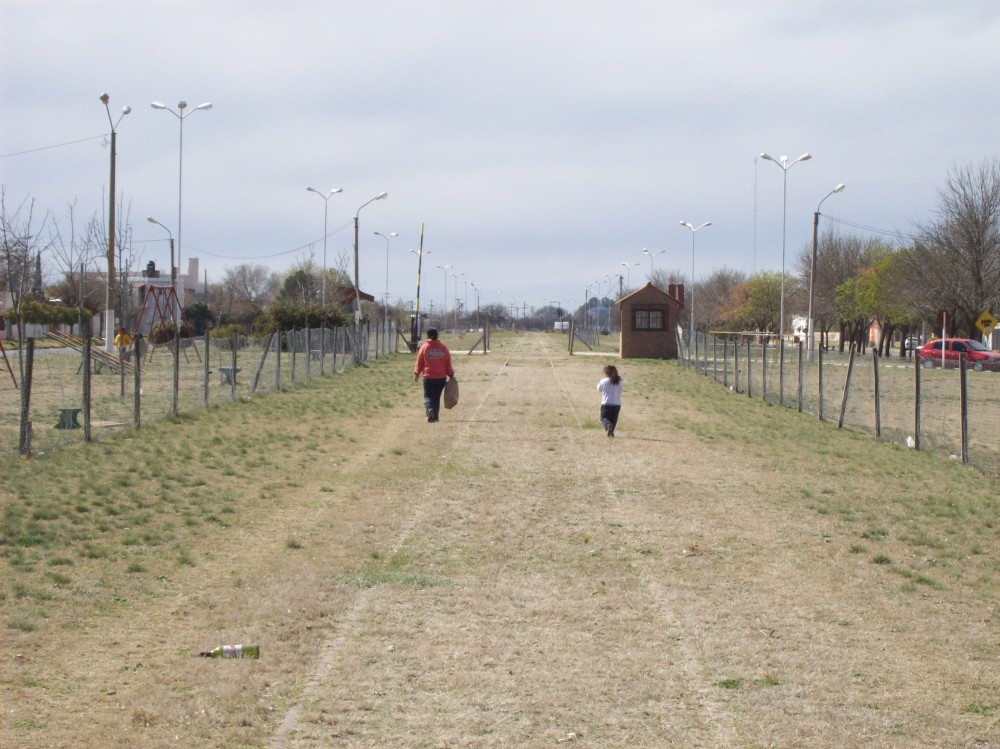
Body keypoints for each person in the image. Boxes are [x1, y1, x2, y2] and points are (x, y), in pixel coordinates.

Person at [413, 328, 455, 423]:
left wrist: (416, 373)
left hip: (428, 377)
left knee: (428, 396)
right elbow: (447, 364)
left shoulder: (424, 347)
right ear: (437, 336)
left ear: (427, 336)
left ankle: (429, 410)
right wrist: (451, 374)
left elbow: (420, 362)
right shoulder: (443, 348)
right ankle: (435, 416)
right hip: (441, 378)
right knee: (436, 397)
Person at [596, 364, 623, 438]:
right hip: (617, 404)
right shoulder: (620, 381)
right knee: (613, 420)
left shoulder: (603, 381)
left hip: (606, 403)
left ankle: (608, 427)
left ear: (606, 373)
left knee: (604, 419)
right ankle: (611, 434)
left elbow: (599, 389)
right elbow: (621, 390)